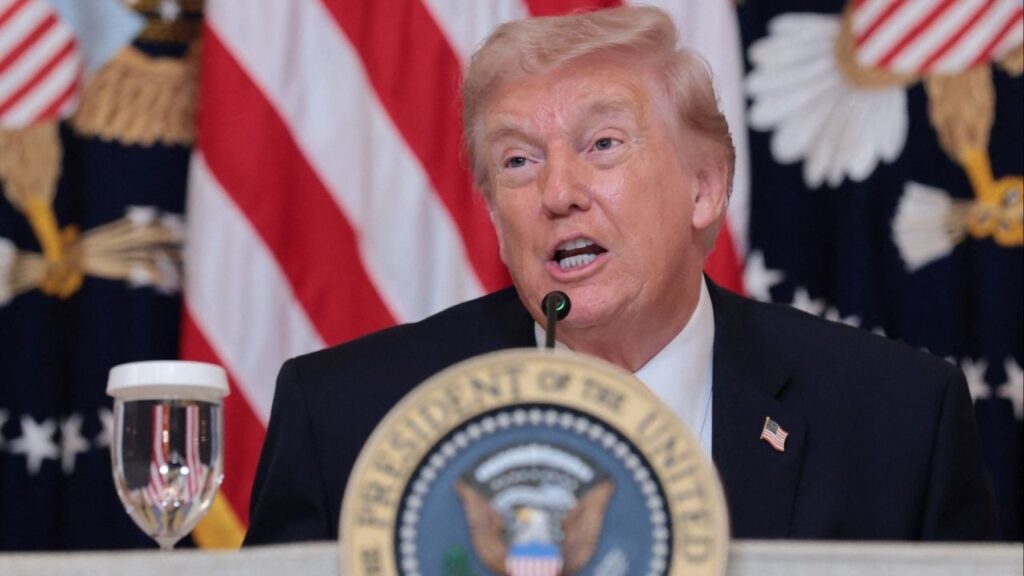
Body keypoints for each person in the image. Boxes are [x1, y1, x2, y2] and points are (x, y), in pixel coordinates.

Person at [244, 6, 995, 544]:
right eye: (517, 161)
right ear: (493, 212)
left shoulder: (897, 420)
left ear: (705, 187)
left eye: (602, 144)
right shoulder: (346, 418)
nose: (559, 191)